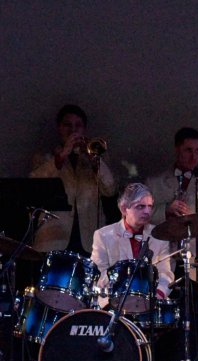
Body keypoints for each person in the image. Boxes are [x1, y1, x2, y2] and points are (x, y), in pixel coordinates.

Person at [31, 104, 117, 255]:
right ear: (59, 128)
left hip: (89, 239)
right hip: (54, 237)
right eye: (67, 125)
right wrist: (62, 155)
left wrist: (94, 160)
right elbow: (35, 185)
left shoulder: (97, 158)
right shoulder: (44, 157)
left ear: (84, 129)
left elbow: (110, 190)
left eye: (78, 125)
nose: (73, 130)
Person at [146, 127, 198, 263]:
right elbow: (142, 217)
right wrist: (165, 210)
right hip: (163, 256)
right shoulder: (154, 183)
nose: (193, 156)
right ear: (177, 149)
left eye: (197, 151)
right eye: (188, 150)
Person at [91, 183, 174, 305]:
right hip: (113, 303)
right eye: (140, 206)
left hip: (150, 303)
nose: (147, 211)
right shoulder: (103, 235)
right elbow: (98, 274)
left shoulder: (159, 236)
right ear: (124, 209)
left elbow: (165, 274)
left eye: (150, 206)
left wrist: (158, 295)